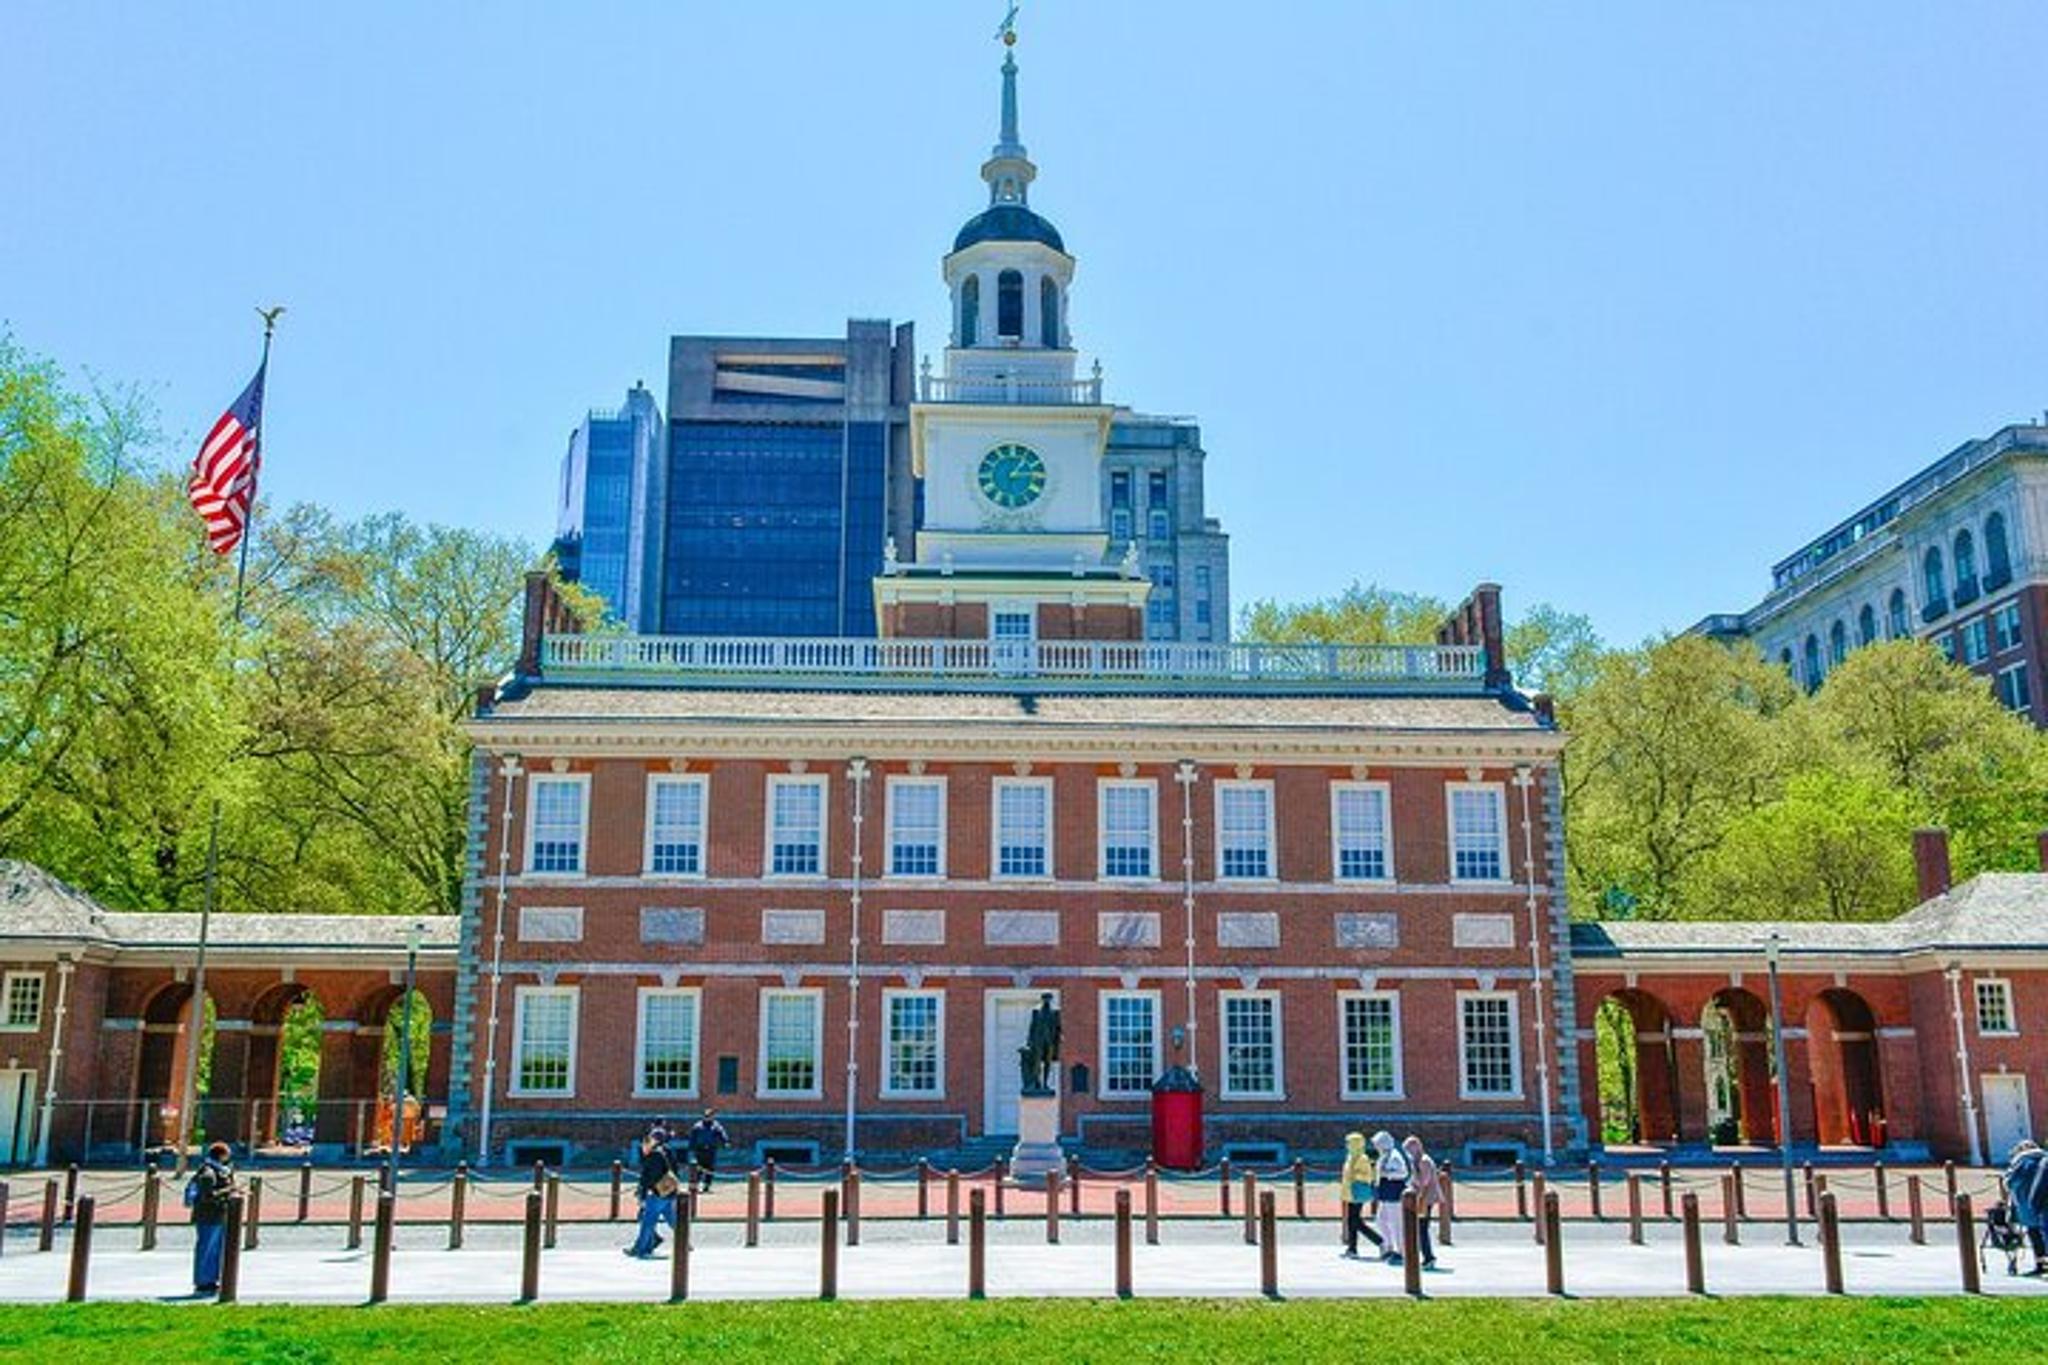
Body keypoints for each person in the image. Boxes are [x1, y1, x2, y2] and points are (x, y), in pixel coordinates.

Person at [186, 1141, 236, 1295]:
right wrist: (229, 1190)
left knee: (214, 1250)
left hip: (215, 1215)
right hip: (209, 1215)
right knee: (207, 1248)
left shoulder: (216, 1170)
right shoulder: (209, 1173)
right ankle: (203, 1281)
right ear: (222, 1156)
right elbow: (207, 1196)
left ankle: (210, 1280)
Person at [625, 1127, 679, 1258]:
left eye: (646, 1143)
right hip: (669, 1192)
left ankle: (641, 1249)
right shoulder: (666, 1151)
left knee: (647, 1222)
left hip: (658, 1193)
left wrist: (642, 1193)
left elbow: (650, 1178)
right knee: (672, 1220)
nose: (643, 1147)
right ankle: (683, 1242)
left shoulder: (654, 1155)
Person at [1336, 1131, 1383, 1258]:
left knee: (1355, 1221)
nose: (1347, 1145)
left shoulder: (1362, 1158)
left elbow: (1367, 1175)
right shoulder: (1350, 1157)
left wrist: (1354, 1176)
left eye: (1349, 1143)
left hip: (1357, 1192)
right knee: (1353, 1221)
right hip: (1350, 1192)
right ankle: (1353, 1248)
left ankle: (1379, 1241)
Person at [2007, 1139, 2048, 1276]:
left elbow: (2010, 1182)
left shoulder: (2020, 1163)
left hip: (2028, 1203)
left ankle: (2041, 1264)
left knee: (2034, 1234)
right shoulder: (2043, 1159)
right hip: (2042, 1202)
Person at [1402, 1134, 1442, 1270]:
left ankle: (1429, 1257)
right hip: (1420, 1197)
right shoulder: (1417, 1161)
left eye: (1409, 1150)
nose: (1408, 1154)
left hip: (1425, 1198)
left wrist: (1419, 1198)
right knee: (1420, 1228)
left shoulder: (1424, 1161)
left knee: (1422, 1228)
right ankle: (1425, 1256)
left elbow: (1424, 1183)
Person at [1369, 1131, 1409, 1264]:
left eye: (1377, 1144)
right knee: (1380, 1220)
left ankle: (1401, 1251)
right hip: (1385, 1193)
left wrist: (1387, 1174)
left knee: (1396, 1224)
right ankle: (1389, 1246)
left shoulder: (1394, 1156)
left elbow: (1403, 1173)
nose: (1375, 1146)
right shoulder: (1384, 1155)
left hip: (1394, 1193)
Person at [685, 1108, 731, 1193]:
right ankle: (695, 1186)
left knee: (710, 1169)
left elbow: (722, 1134)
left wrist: (725, 1142)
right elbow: (692, 1138)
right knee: (698, 1169)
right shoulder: (697, 1126)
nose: (708, 1118)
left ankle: (706, 1186)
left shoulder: (716, 1125)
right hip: (700, 1150)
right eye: (706, 1116)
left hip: (711, 1150)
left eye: (709, 1116)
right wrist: (691, 1148)